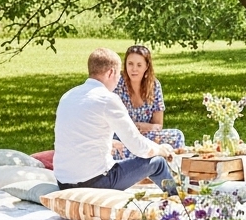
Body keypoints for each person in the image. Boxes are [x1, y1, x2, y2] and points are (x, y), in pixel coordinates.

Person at [53, 48, 178, 191]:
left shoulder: (68, 96)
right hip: (95, 182)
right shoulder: (108, 99)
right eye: (118, 74)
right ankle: (177, 201)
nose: (119, 79)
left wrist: (108, 142)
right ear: (111, 72)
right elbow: (138, 146)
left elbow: (73, 133)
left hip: (63, 183)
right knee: (157, 163)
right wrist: (160, 149)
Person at [111, 44, 186, 161]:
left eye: (139, 65)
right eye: (130, 64)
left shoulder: (154, 86)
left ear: (146, 66)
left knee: (176, 136)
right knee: (120, 149)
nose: (134, 69)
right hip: (123, 137)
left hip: (146, 136)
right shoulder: (118, 84)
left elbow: (158, 125)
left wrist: (142, 126)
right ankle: (151, 162)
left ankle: (174, 171)